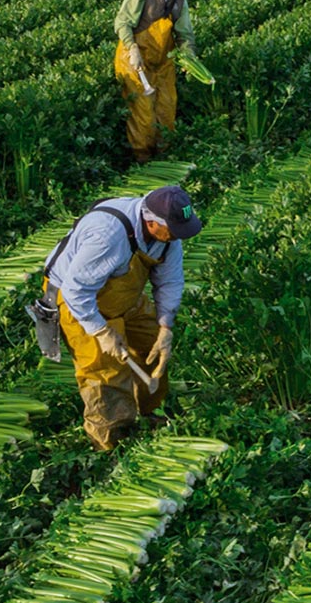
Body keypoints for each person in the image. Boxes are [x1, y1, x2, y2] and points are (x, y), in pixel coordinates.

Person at [42, 184, 202, 450]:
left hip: (123, 295)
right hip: (79, 302)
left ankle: (151, 412)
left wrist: (165, 326)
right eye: (173, 231)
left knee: (153, 347)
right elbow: (76, 290)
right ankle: (111, 443)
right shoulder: (109, 235)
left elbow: (170, 280)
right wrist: (101, 331)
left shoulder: (168, 237)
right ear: (152, 223)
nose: (178, 237)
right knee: (105, 372)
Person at [116, 0, 203, 161]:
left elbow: (184, 35)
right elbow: (122, 23)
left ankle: (163, 157)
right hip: (135, 61)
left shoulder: (180, 2)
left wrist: (188, 55)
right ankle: (142, 159)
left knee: (166, 110)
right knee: (143, 114)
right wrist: (132, 48)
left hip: (163, 63)